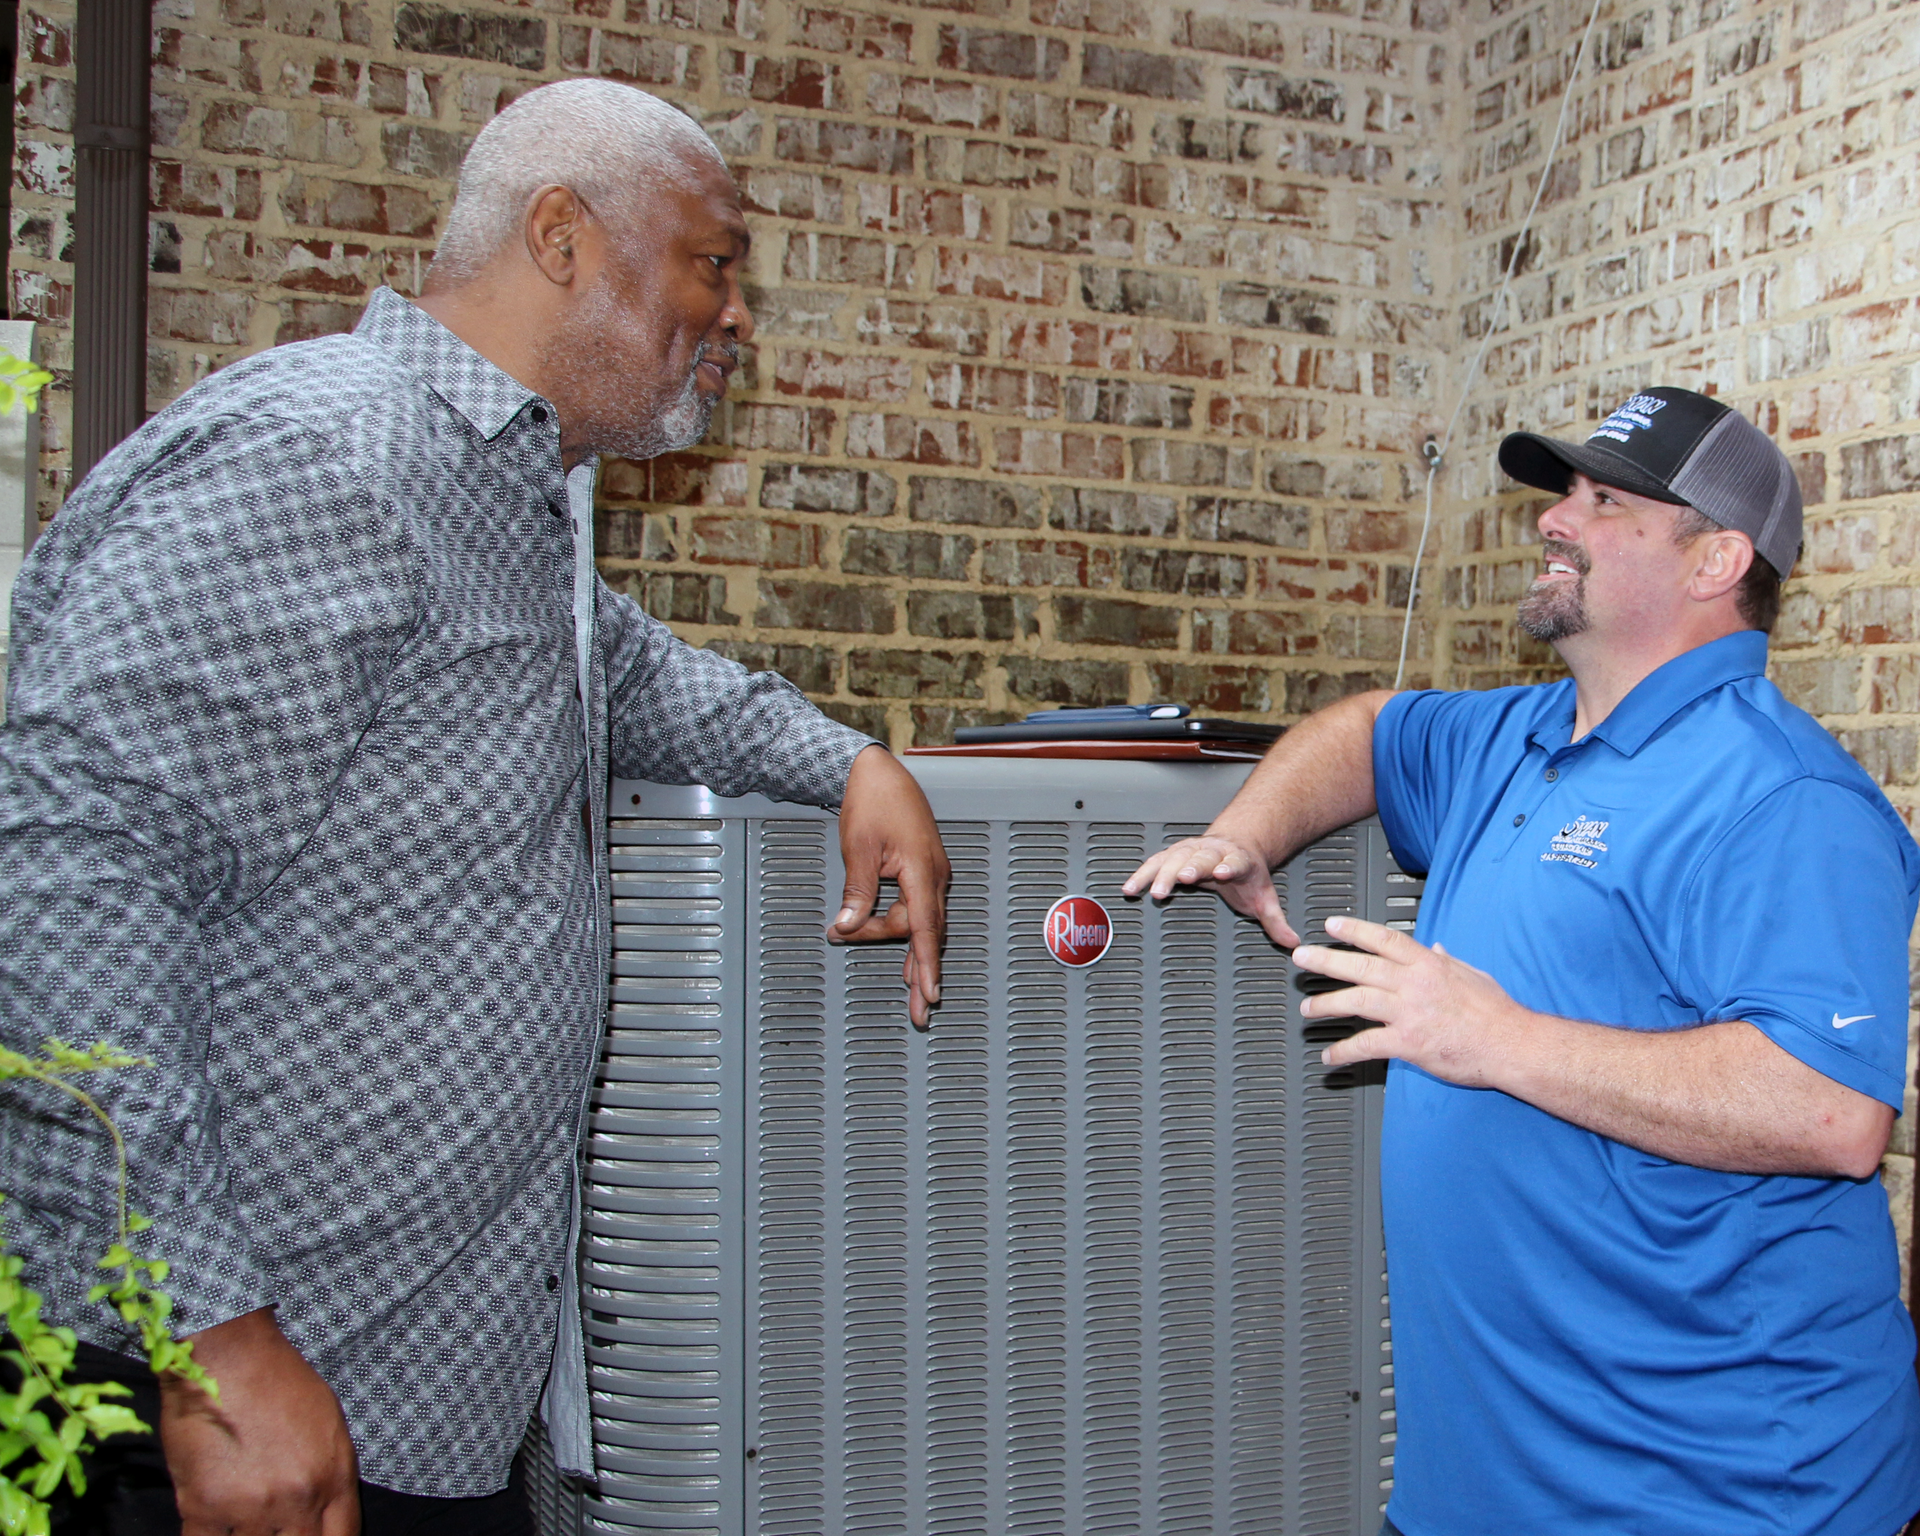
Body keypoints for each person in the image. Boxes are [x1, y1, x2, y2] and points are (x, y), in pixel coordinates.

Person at [0, 80, 950, 1535]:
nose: (737, 312)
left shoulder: (513, 500)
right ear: (562, 235)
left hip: (417, 1410)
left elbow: (639, 682)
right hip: (232, 1416)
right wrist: (212, 1345)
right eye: (715, 260)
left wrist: (853, 763)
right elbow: (66, 877)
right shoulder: (319, 457)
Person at [1126, 386, 1920, 1536]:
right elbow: (1367, 731)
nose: (1557, 518)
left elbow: (1831, 1111)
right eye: (1564, 493)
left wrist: (1491, 1038)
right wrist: (1248, 834)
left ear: (1716, 561)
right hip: (1484, 1491)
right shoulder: (1519, 736)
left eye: (1606, 503)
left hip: (1720, 1493)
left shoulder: (1785, 800)